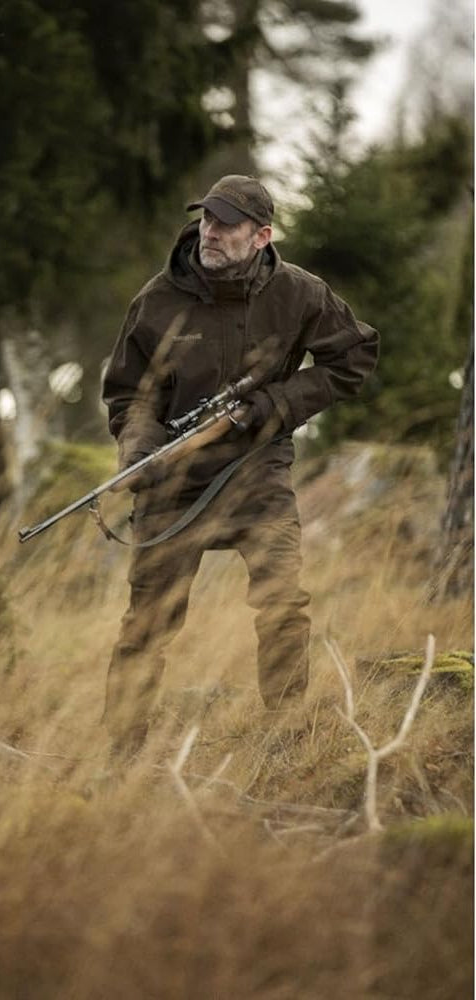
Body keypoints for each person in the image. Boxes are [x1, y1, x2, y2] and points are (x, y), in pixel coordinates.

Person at [101, 174, 379, 761]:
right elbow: (129, 396)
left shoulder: (300, 293)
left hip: (258, 469)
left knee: (284, 604)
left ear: (261, 236)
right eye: (207, 220)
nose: (212, 232)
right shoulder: (156, 300)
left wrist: (278, 404)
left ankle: (285, 745)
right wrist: (141, 448)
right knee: (145, 625)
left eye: (227, 223)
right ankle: (122, 757)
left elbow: (354, 355)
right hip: (172, 481)